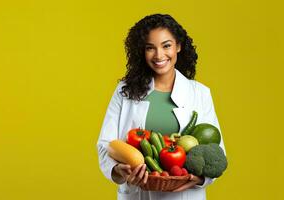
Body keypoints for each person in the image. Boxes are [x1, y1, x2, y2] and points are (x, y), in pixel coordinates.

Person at [96, 14, 226, 200]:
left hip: (184, 196)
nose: (159, 55)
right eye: (150, 48)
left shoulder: (200, 93)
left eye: (166, 46)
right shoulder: (124, 91)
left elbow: (216, 151)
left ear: (178, 46)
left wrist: (198, 179)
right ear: (142, 51)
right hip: (137, 193)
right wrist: (118, 170)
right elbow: (105, 144)